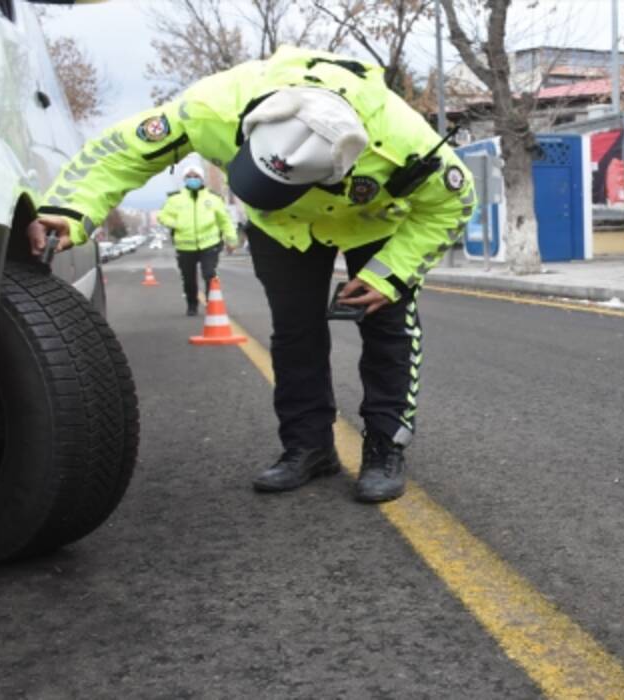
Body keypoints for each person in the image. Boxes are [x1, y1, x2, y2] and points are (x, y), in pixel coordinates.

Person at [27, 48, 475, 503]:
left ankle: (385, 448)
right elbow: (124, 150)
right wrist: (70, 209)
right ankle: (308, 446)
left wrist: (389, 275)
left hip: (373, 221)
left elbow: (454, 204)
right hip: (277, 224)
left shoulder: (405, 145)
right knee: (295, 331)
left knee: (388, 328)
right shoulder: (214, 106)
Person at [157, 167, 238, 316]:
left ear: (202, 179)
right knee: (189, 279)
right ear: (184, 179)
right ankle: (192, 305)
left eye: (196, 176)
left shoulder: (213, 198)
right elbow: (162, 216)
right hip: (185, 245)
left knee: (209, 274)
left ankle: (211, 302)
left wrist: (231, 238)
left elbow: (224, 220)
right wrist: (175, 223)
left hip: (210, 244)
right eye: (189, 176)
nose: (193, 178)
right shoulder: (175, 199)